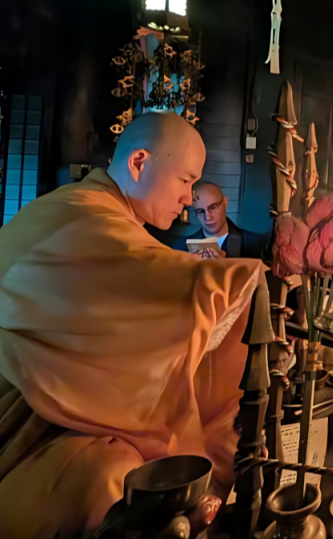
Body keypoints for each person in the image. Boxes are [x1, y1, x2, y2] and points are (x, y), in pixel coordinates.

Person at [0, 112, 263, 538]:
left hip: (50, 400)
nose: (188, 199)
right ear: (139, 162)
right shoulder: (84, 216)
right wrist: (251, 280)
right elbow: (147, 277)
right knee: (112, 478)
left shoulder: (95, 211)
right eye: (185, 181)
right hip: (25, 415)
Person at [174, 182, 268, 260]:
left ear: (225, 202)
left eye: (213, 207)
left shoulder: (255, 244)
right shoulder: (180, 247)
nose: (208, 217)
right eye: (200, 211)